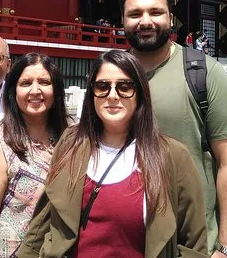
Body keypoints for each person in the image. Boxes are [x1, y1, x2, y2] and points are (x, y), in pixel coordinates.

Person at [19, 50, 208, 258]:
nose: (112, 95)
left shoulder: (172, 156)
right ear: (92, 92)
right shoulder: (72, 143)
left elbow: (193, 246)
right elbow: (43, 221)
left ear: (140, 93)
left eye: (125, 87)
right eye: (102, 86)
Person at [119, 0, 227, 257]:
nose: (145, 21)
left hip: (189, 239)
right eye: (135, 14)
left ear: (170, 18)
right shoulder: (112, 75)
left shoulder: (203, 72)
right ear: (123, 20)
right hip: (122, 237)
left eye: (155, 12)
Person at [0, 53, 70, 257]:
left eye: (44, 82)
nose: (35, 90)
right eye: (26, 83)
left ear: (57, 89)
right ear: (13, 90)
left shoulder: (71, 138)